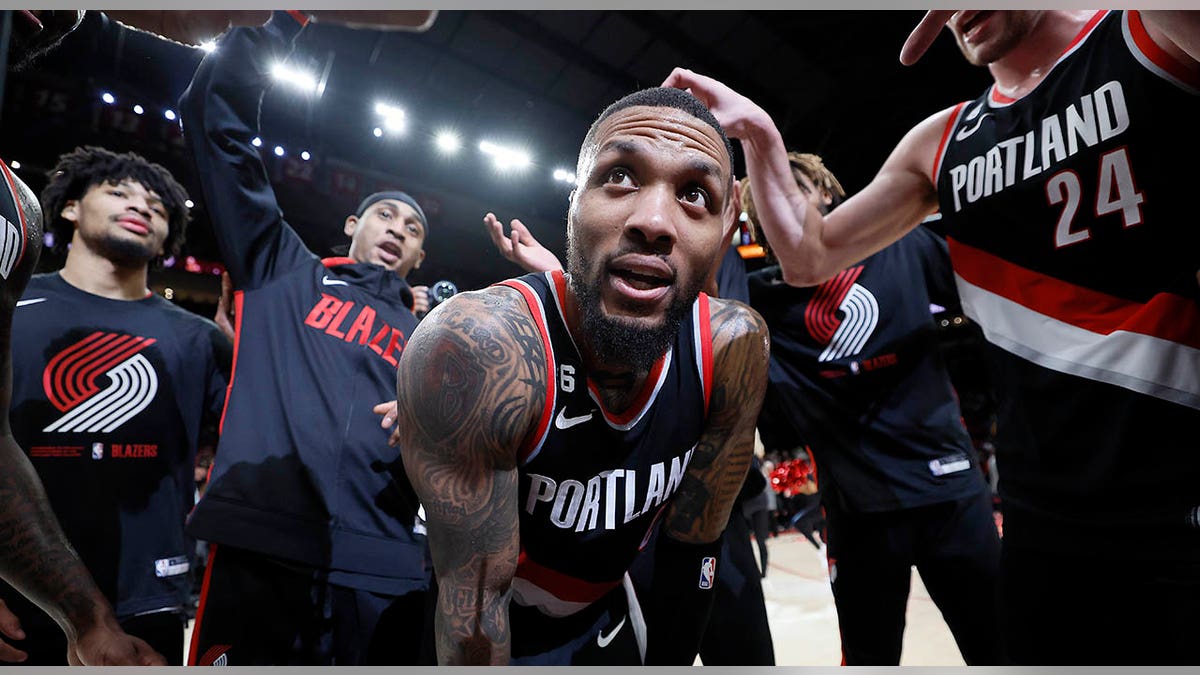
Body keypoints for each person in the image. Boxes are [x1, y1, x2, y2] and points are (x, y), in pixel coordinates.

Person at [664, 9, 1200, 663]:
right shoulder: (940, 142)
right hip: (1042, 520)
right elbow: (809, 252)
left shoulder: (1150, 31)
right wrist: (759, 133)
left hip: (1175, 497)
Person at [392, 87, 769, 665]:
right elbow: (474, 614)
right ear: (573, 206)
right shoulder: (480, 347)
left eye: (694, 194)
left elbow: (694, 551)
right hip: (487, 628)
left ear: (725, 230)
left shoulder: (735, 346)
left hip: (611, 612)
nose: (653, 221)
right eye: (619, 177)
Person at [177, 10, 437, 666]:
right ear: (352, 224)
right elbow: (215, 118)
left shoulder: (434, 340)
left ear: (419, 258)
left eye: (413, 226)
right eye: (385, 213)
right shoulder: (281, 269)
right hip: (261, 545)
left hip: (383, 564)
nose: (398, 228)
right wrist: (282, 19)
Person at [483, 202, 776, 667]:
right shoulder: (506, 336)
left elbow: (693, 308)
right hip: (577, 570)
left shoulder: (727, 327)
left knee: (741, 647)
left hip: (687, 516)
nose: (658, 222)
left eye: (698, 196)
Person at [741, 152, 1001, 665]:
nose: (780, 198)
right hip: (858, 514)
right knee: (868, 658)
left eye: (792, 184)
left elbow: (999, 296)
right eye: (764, 198)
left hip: (951, 495)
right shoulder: (756, 300)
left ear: (828, 195)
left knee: (999, 646)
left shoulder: (904, 247)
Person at [1, 146, 229, 665]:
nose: (142, 206)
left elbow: (231, 451)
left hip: (149, 598)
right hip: (19, 588)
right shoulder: (11, 305)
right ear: (69, 208)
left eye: (158, 205)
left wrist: (248, 355)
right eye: (118, 191)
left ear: (168, 235)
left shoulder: (202, 339)